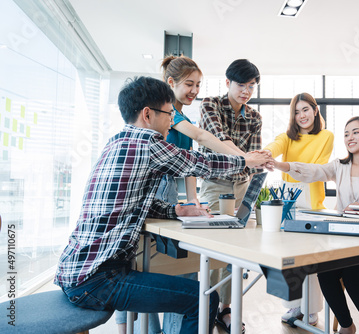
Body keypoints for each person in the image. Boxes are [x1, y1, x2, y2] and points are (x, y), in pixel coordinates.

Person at [54, 76, 271, 334]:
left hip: (77, 270)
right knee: (202, 299)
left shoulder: (117, 141)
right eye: (169, 114)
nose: (172, 121)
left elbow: (134, 201)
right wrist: (246, 161)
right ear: (148, 114)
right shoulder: (148, 143)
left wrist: (175, 210)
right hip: (98, 279)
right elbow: (198, 163)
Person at [116, 55, 246, 334]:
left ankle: (172, 328)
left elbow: (187, 164)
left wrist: (192, 199)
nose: (195, 91)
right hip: (155, 189)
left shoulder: (180, 115)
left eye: (199, 85)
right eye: (190, 84)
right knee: (145, 266)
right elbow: (202, 141)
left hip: (172, 195)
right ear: (170, 82)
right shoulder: (166, 115)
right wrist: (245, 160)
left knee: (178, 263)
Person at [272, 116, 359, 334]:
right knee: (325, 271)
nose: (349, 137)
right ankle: (346, 326)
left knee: (353, 279)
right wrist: (280, 165)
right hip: (347, 244)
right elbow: (312, 171)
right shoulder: (339, 167)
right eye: (346, 134)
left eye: (355, 132)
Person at [198, 59, 262, 333]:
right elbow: (221, 141)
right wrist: (248, 158)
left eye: (251, 86)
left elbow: (256, 160)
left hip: (242, 186)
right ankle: (209, 305)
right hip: (215, 183)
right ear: (227, 83)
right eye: (241, 85)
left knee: (237, 248)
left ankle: (226, 308)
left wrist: (260, 163)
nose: (246, 91)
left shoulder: (256, 117)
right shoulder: (210, 104)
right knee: (215, 246)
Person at [263, 92, 333, 326]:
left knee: (311, 261)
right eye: (296, 111)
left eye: (305, 109)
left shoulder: (326, 136)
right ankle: (294, 306)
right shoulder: (287, 137)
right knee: (291, 260)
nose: (301, 115)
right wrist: (265, 155)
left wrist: (280, 164)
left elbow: (316, 168)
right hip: (290, 206)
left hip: (313, 206)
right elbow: (274, 146)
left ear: (315, 110)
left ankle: (311, 309)